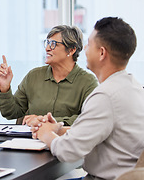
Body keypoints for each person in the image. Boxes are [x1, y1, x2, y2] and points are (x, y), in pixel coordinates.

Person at [33, 17, 144, 180]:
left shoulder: (105, 96)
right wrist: (60, 129)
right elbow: (105, 130)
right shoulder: (133, 87)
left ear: (101, 53)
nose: (84, 49)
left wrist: (46, 133)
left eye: (89, 44)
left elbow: (67, 151)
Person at [0, 25, 98, 127]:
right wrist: (5, 88)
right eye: (47, 43)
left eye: (53, 44)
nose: (47, 48)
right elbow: (10, 113)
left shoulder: (88, 82)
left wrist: (45, 121)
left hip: (66, 141)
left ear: (71, 50)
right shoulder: (33, 76)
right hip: (30, 141)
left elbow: (89, 117)